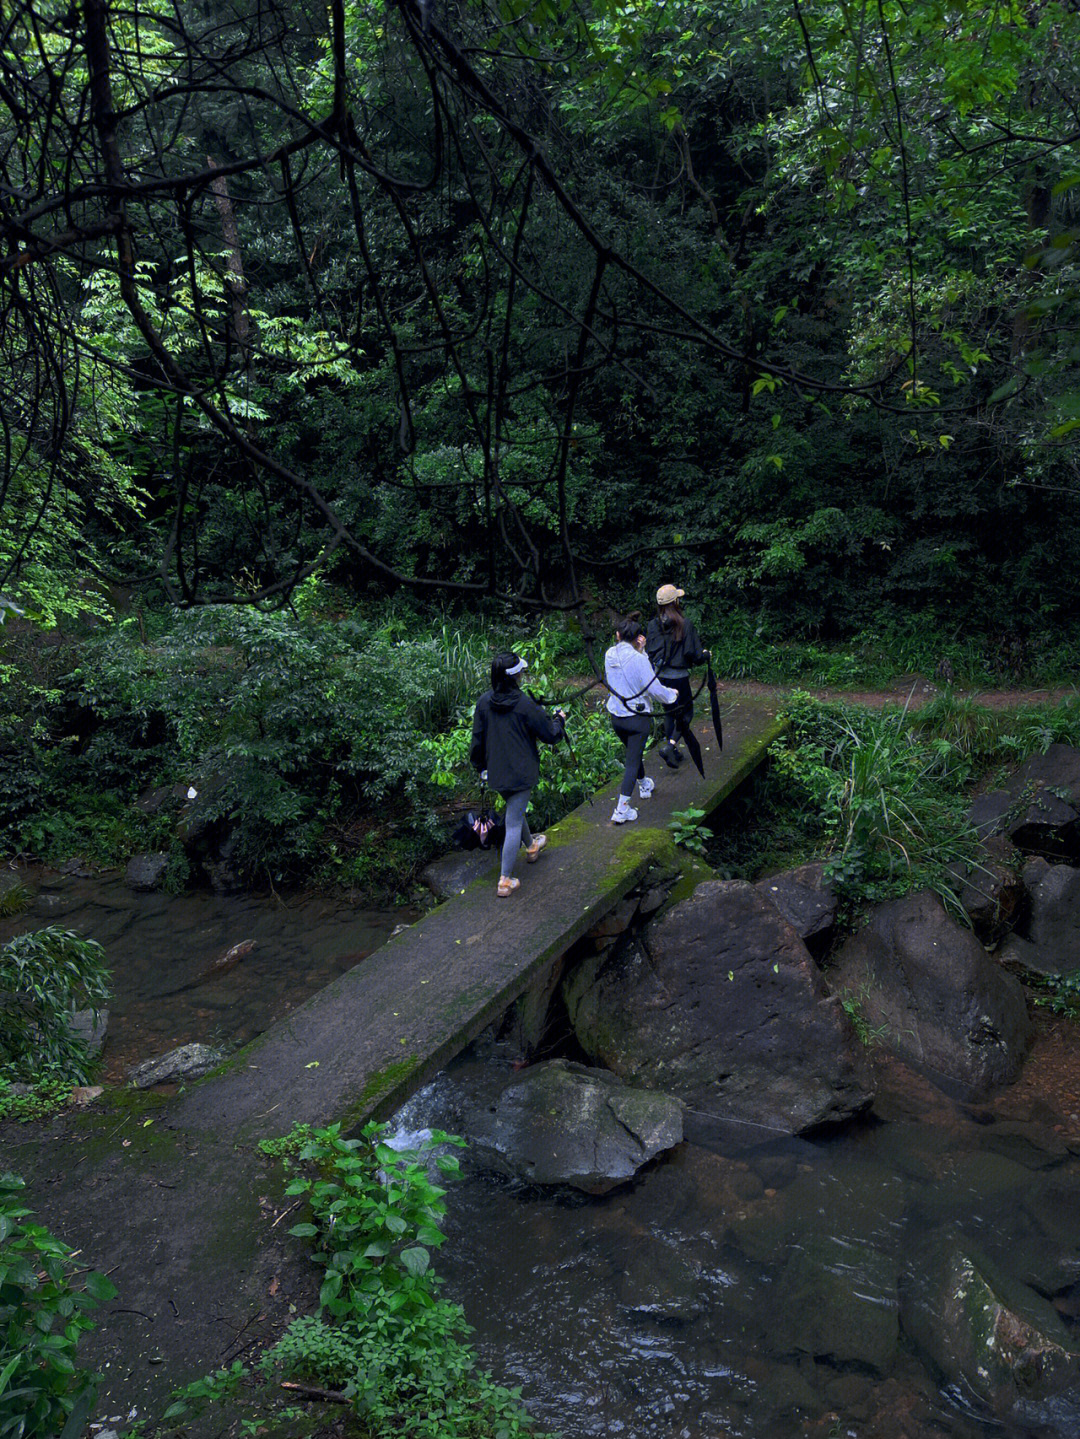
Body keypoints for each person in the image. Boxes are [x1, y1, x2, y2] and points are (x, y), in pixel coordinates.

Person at [470, 652, 566, 897]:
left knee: (515, 809)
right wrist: (559, 721)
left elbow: (477, 741)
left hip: (495, 772)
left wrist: (480, 767)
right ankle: (505, 880)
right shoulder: (524, 704)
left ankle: (532, 846)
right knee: (513, 822)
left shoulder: (484, 702)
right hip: (521, 773)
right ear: (515, 677)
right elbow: (550, 734)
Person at [604, 618, 677, 825]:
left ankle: (644, 784)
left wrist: (640, 650)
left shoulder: (609, 654)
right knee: (632, 761)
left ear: (618, 636)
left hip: (617, 716)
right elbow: (653, 687)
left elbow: (627, 672)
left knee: (633, 754)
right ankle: (621, 810)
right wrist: (672, 695)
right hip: (637, 719)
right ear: (638, 638)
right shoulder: (639, 660)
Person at [646, 584, 708, 771]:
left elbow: (651, 651)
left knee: (669, 713)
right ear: (675, 602)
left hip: (660, 677)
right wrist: (705, 655)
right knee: (686, 713)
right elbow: (693, 654)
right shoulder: (684, 623)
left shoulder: (652, 625)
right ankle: (670, 746)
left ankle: (671, 749)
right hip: (679, 678)